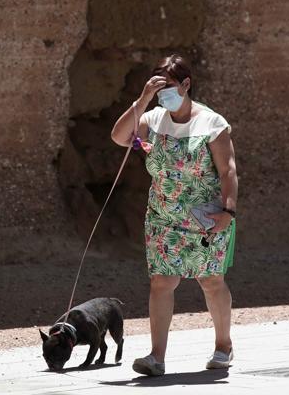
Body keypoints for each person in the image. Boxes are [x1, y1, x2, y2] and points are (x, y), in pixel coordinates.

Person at [111, 54, 237, 376]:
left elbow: (228, 170)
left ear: (186, 85)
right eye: (159, 88)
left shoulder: (211, 122)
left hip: (205, 217)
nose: (164, 94)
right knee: (161, 282)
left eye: (168, 87)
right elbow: (119, 136)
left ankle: (223, 345)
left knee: (211, 280)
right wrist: (143, 99)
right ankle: (157, 357)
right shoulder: (153, 118)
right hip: (163, 217)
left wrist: (228, 210)